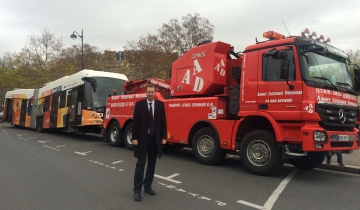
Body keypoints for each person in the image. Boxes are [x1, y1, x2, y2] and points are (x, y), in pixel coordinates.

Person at [132, 84, 167, 202]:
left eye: (152, 92)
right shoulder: (139, 105)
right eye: (148, 92)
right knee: (140, 164)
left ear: (155, 92)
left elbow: (163, 122)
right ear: (145, 92)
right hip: (142, 139)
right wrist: (134, 138)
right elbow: (135, 123)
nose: (150, 94)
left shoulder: (160, 105)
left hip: (154, 139)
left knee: (152, 164)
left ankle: (148, 186)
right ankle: (137, 190)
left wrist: (163, 137)